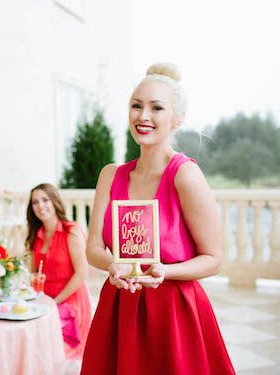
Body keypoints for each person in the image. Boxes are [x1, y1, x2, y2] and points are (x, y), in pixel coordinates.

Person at [80, 63, 234, 374]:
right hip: (119, 307)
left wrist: (166, 271)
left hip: (174, 314)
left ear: (177, 119)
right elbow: (93, 249)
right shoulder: (110, 176)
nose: (143, 116)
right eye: (136, 106)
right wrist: (112, 265)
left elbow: (214, 258)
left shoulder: (186, 175)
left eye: (156, 107)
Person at [26, 183, 91, 359]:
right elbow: (34, 274)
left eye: (45, 200)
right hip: (45, 301)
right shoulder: (36, 235)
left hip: (70, 302)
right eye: (35, 202)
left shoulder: (72, 232)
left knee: (51, 349)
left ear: (54, 201)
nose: (40, 206)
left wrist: (55, 302)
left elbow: (82, 274)